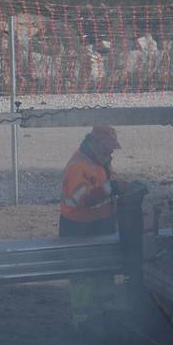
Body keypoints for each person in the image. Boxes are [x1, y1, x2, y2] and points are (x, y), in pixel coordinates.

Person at [59, 125, 127, 329]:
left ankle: (105, 313)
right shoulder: (79, 165)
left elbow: (105, 189)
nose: (111, 151)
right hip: (78, 228)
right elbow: (85, 200)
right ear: (95, 143)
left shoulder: (100, 160)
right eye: (107, 147)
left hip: (100, 225)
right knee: (82, 275)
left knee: (104, 270)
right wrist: (113, 188)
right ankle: (83, 320)